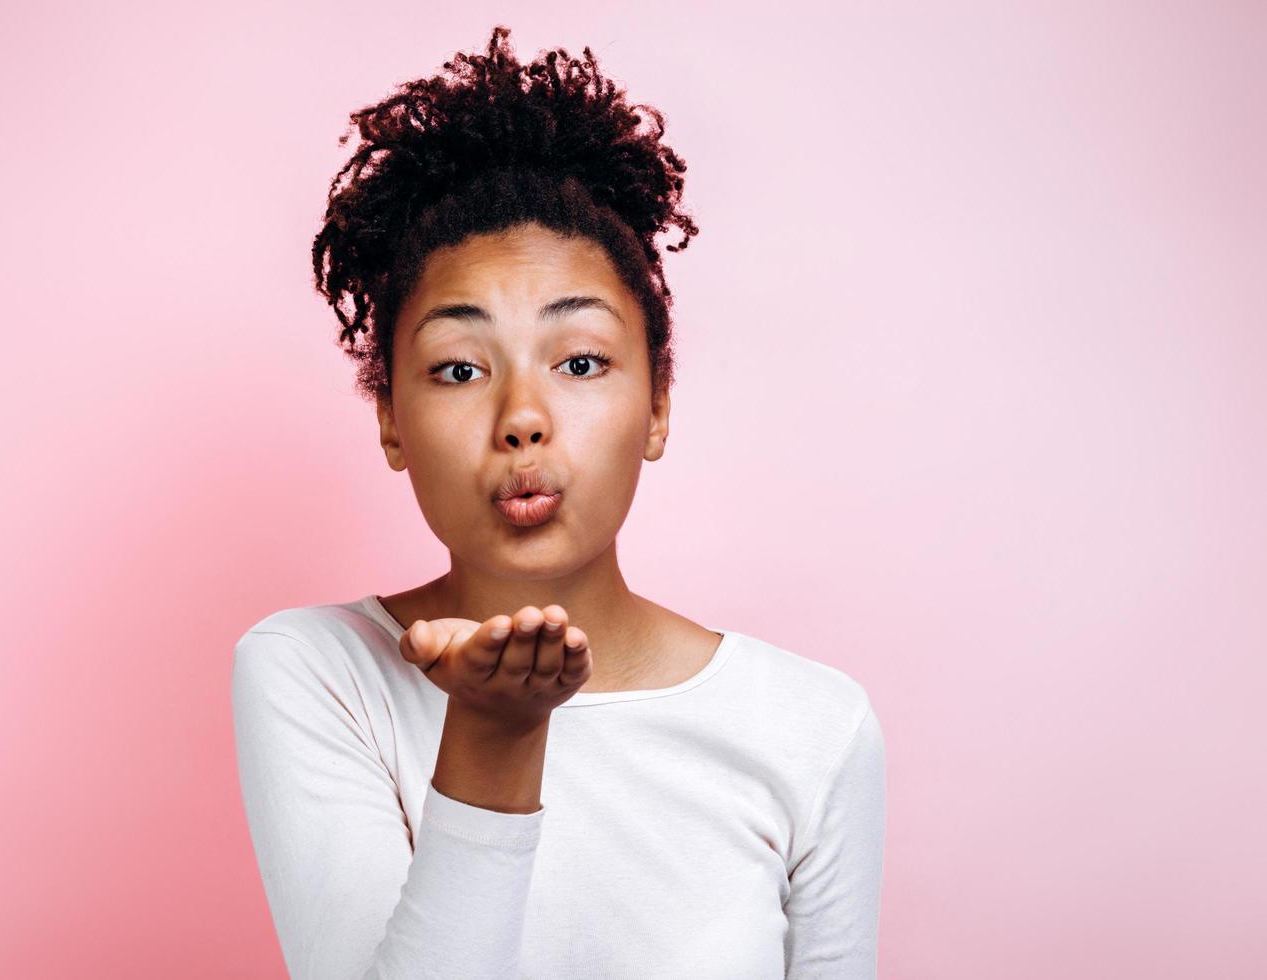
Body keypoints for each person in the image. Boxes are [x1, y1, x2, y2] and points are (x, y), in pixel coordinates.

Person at [232, 25, 885, 979]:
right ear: (391, 422)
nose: (522, 419)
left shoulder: (812, 728)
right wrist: (495, 735)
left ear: (656, 404)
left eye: (580, 362)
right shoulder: (322, 674)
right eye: (459, 368)